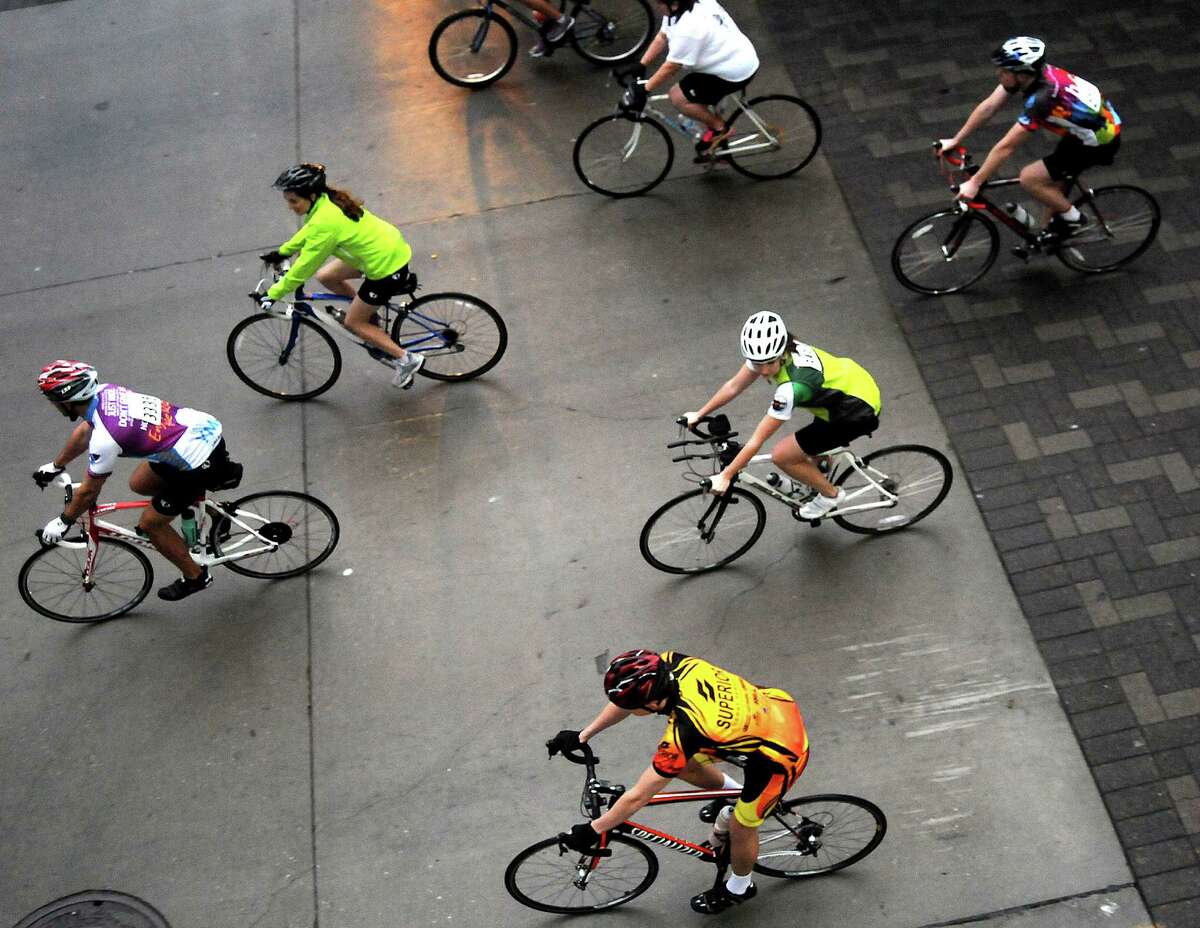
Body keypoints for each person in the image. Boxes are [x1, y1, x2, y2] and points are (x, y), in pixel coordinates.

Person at [551, 649, 809, 914]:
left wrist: (594, 829)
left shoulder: (688, 730)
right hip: (772, 707)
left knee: (742, 825)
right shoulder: (671, 663)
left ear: (652, 703)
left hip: (780, 753)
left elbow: (640, 796)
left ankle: (739, 887)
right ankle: (733, 795)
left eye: (632, 706)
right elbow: (628, 700)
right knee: (682, 766)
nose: (625, 709)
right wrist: (583, 735)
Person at [33, 360, 240, 602]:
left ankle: (196, 577)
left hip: (198, 461)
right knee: (140, 484)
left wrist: (63, 521)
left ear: (67, 399)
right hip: (193, 433)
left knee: (151, 524)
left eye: (53, 400)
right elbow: (83, 433)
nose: (53, 405)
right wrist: (56, 466)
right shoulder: (105, 392)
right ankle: (216, 515)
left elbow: (89, 492)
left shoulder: (106, 438)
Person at [684, 311, 881, 520]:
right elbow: (733, 386)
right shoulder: (777, 349)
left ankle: (831, 495)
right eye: (758, 364)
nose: (764, 371)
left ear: (781, 353)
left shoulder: (791, 389)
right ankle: (819, 467)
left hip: (854, 411)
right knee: (809, 445)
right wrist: (699, 413)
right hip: (845, 388)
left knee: (783, 455)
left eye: (770, 363)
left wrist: (726, 475)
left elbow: (757, 440)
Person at [257, 163, 425, 389]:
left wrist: (274, 293)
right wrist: (283, 251)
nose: (290, 206)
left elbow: (306, 264)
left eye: (293, 201)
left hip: (385, 268)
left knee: (352, 322)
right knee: (326, 276)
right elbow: (310, 231)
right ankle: (369, 316)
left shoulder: (327, 220)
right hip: (381, 252)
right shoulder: (326, 203)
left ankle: (407, 359)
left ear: (312, 195)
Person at [939, 36, 1122, 239]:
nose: (998, 73)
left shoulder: (1042, 99)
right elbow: (989, 107)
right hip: (1086, 130)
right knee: (1052, 186)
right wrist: (956, 139)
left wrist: (975, 182)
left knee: (1030, 178)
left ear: (1022, 74)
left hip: (1097, 143)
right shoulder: (1033, 74)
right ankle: (1045, 235)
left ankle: (1074, 218)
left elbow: (1007, 147)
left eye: (1004, 70)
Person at [625, 0, 759, 155]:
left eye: (659, 3)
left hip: (732, 71)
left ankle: (721, 128)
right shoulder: (685, 8)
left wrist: (645, 89)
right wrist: (642, 64)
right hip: (735, 56)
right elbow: (663, 36)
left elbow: (672, 66)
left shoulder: (689, 28)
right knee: (695, 95)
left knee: (678, 96)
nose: (656, 7)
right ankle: (717, 149)